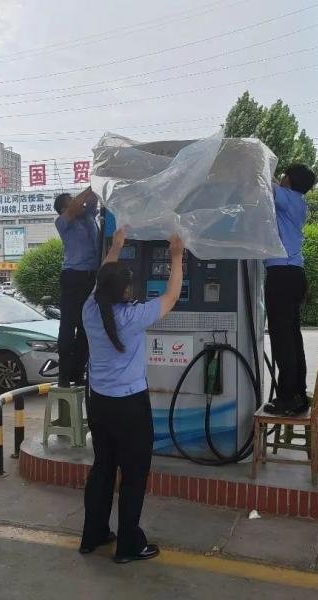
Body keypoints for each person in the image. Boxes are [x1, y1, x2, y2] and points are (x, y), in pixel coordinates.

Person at [79, 226, 184, 564]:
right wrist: (177, 257)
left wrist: (116, 246)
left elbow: (102, 279)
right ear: (125, 290)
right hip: (131, 408)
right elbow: (171, 296)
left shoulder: (89, 309)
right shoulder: (132, 317)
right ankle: (128, 546)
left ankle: (93, 534)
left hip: (99, 404)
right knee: (134, 475)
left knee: (103, 468)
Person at [263, 163, 317, 416]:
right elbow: (273, 184)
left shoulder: (286, 197)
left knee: (282, 338)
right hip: (294, 275)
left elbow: (266, 181)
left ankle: (286, 398)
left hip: (281, 275)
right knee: (293, 337)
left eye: (285, 174)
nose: (281, 177)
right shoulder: (297, 202)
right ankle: (298, 394)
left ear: (290, 180)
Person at [54, 186, 101, 388]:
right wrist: (90, 186)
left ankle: (78, 372)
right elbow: (76, 205)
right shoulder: (63, 223)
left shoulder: (88, 216)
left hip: (92, 278)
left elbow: (93, 198)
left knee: (85, 327)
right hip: (73, 277)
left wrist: (97, 180)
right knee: (68, 326)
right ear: (64, 209)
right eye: (72, 201)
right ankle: (64, 375)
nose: (79, 203)